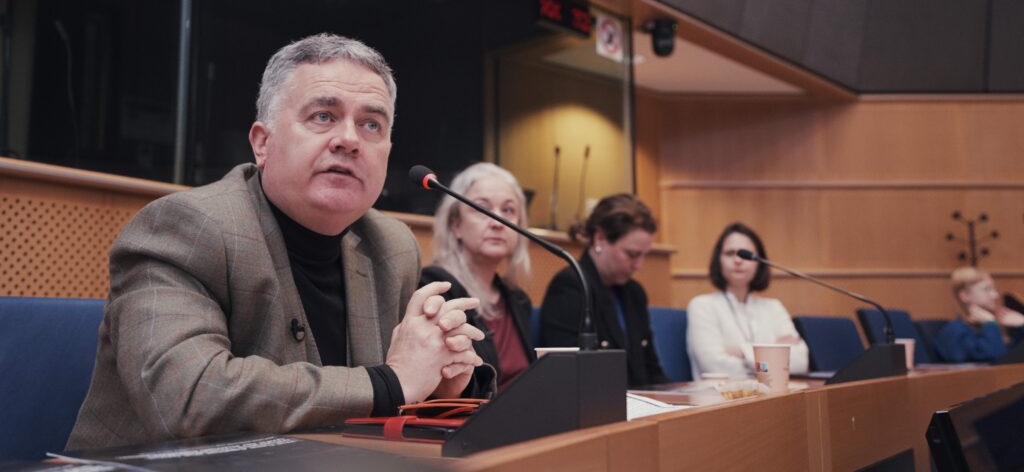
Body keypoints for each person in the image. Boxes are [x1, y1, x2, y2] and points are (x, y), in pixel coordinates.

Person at [67, 34, 489, 450]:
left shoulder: (391, 246)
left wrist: (438, 386)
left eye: (371, 124)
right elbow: (189, 397)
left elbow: (385, 415)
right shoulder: (188, 227)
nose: (349, 139)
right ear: (262, 143)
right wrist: (393, 382)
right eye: (323, 116)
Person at [420, 162, 536, 390]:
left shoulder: (518, 299)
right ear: (456, 225)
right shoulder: (435, 288)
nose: (497, 222)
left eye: (508, 210)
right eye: (481, 209)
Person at [540, 194, 669, 387]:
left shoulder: (634, 292)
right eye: (632, 254)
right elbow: (566, 375)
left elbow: (651, 369)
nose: (638, 265)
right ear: (599, 238)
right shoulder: (569, 287)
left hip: (642, 406)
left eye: (643, 256)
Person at [687, 222, 808, 379]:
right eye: (730, 253)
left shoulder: (774, 308)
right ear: (718, 261)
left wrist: (741, 352)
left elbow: (801, 361)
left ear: (759, 262)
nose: (738, 260)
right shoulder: (702, 306)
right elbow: (713, 366)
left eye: (746, 255)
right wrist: (774, 353)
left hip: (773, 396)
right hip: (722, 398)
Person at [933, 267, 1024, 363]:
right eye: (986, 289)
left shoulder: (1005, 324)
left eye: (994, 289)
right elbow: (996, 360)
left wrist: (1022, 323)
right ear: (965, 296)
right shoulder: (954, 332)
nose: (995, 295)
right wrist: (990, 324)